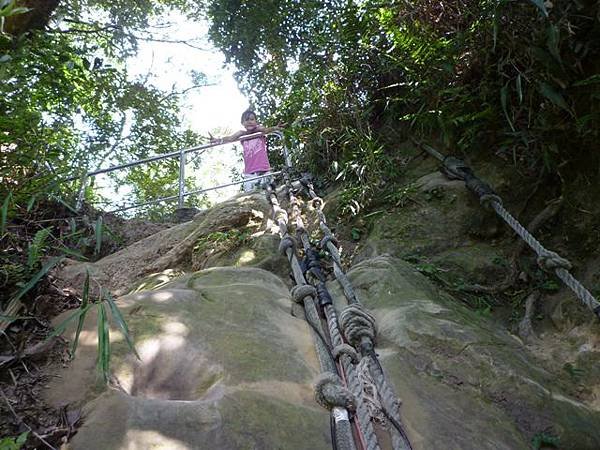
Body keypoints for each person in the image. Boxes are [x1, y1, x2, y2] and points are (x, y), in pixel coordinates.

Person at [210, 109, 284, 192]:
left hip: (264, 170)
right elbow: (230, 138)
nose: (249, 122)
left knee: (271, 192)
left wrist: (275, 128)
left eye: (252, 119)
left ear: (256, 121)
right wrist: (218, 140)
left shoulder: (259, 131)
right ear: (242, 123)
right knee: (251, 195)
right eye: (246, 120)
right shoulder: (242, 134)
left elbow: (266, 130)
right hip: (250, 173)